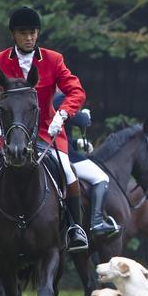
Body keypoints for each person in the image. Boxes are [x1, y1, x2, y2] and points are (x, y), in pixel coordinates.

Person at [0, 6, 90, 254]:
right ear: (13, 35)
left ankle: (74, 229)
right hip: (8, 133)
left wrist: (62, 114)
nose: (29, 37)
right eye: (23, 33)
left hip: (45, 131)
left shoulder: (53, 59)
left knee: (69, 173)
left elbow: (76, 91)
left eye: (33, 32)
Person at [53, 91, 118, 236]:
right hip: (63, 154)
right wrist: (85, 114)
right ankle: (97, 222)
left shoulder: (43, 97)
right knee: (102, 178)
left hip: (55, 148)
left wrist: (77, 142)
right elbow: (83, 122)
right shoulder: (60, 98)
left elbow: (61, 133)